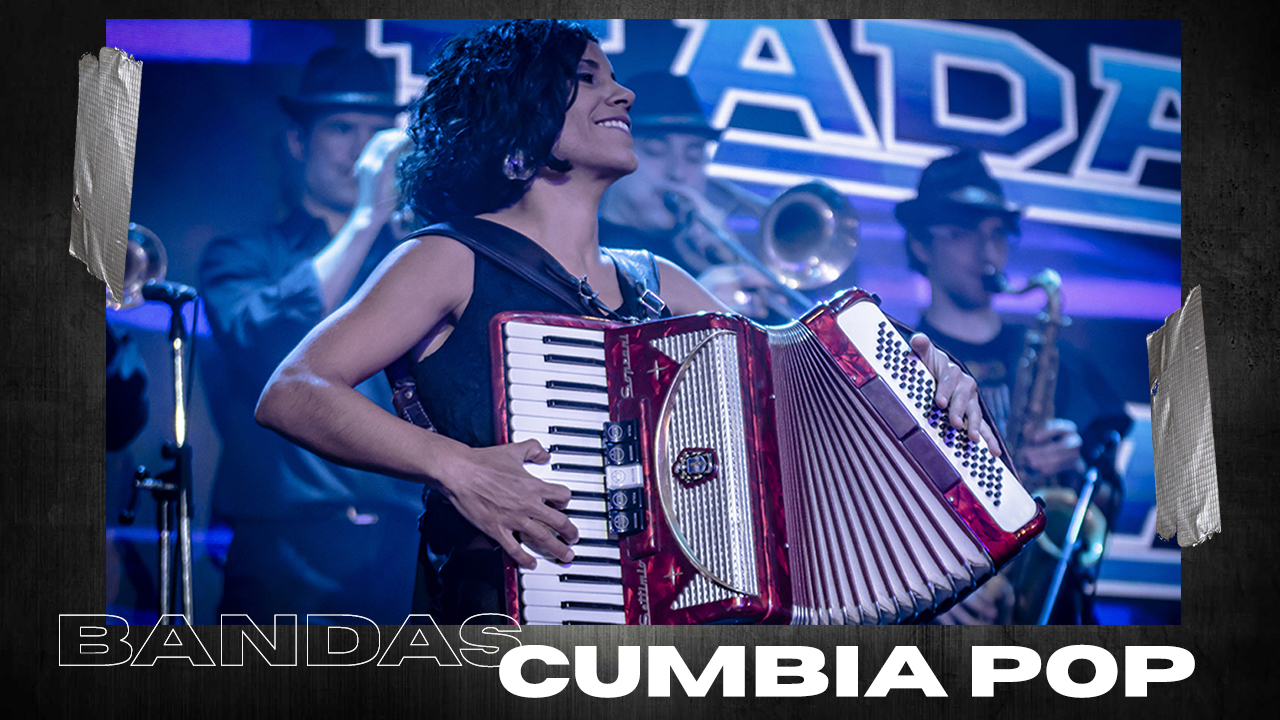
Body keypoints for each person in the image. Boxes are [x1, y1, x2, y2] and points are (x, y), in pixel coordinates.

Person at [254, 20, 998, 623]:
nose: (624, 92)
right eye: (587, 77)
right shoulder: (450, 258)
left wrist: (924, 392)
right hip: (500, 624)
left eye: (611, 76)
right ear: (517, 117)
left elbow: (798, 404)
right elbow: (293, 390)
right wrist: (455, 466)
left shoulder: (658, 282)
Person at [197, 45, 423, 624]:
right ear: (298, 141)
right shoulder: (242, 256)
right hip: (286, 552)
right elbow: (263, 343)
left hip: (406, 545)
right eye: (343, 128)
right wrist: (366, 217)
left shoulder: (416, 257)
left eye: (378, 133)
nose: (364, 152)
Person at [896, 147, 1131, 624]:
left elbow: (1107, 502)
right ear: (920, 245)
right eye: (962, 233)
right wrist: (924, 586)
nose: (987, 253)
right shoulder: (896, 359)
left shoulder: (1061, 362)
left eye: (997, 234)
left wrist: (1078, 465)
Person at [597, 70, 788, 322]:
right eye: (655, 151)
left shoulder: (704, 258)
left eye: (693, 156)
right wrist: (691, 309)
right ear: (613, 154)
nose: (677, 172)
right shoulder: (589, 252)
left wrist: (730, 258)